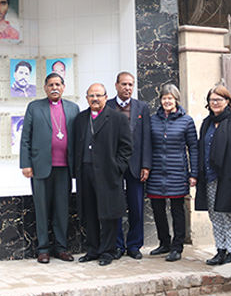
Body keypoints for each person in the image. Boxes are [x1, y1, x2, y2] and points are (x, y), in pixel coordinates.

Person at [20, 72, 79, 264]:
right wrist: (26, 164)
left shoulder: (73, 108)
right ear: (45, 88)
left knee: (62, 209)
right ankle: (43, 249)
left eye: (58, 84)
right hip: (40, 167)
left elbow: (78, 139)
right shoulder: (35, 107)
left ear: (64, 87)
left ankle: (61, 248)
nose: (54, 88)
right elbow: (26, 138)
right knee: (42, 209)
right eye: (51, 84)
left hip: (64, 168)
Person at [73, 83, 133, 266]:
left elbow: (126, 147)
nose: (95, 99)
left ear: (106, 97)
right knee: (90, 212)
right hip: (86, 172)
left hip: (108, 173)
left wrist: (117, 167)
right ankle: (92, 249)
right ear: (87, 98)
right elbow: (75, 145)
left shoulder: (117, 118)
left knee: (108, 213)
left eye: (98, 95)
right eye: (91, 96)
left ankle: (108, 251)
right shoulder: (81, 118)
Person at [196, 85, 231, 265]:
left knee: (229, 216)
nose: (215, 103)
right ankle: (220, 250)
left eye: (219, 99)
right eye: (212, 100)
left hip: (228, 178)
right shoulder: (207, 123)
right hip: (209, 177)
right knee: (215, 216)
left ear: (227, 101)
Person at [146, 83, 198, 262]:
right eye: (164, 98)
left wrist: (194, 173)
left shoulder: (186, 120)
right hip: (156, 171)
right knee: (157, 209)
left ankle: (177, 247)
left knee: (177, 211)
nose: (167, 101)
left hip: (178, 172)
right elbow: (147, 145)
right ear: (160, 100)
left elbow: (193, 148)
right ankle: (164, 243)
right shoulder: (152, 119)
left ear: (176, 100)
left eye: (170, 98)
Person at [107, 71, 151, 260]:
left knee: (136, 207)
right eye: (124, 84)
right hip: (113, 164)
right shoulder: (107, 106)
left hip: (135, 165)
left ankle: (134, 245)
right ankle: (117, 245)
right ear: (116, 85)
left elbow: (147, 138)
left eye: (130, 85)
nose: (127, 88)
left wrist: (146, 165)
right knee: (115, 206)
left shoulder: (142, 107)